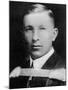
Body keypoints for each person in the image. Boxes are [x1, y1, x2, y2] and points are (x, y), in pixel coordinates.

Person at [9, 3, 66, 89]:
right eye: (29, 29)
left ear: (54, 34)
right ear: (23, 34)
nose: (35, 37)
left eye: (42, 29)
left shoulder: (63, 72)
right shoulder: (17, 71)